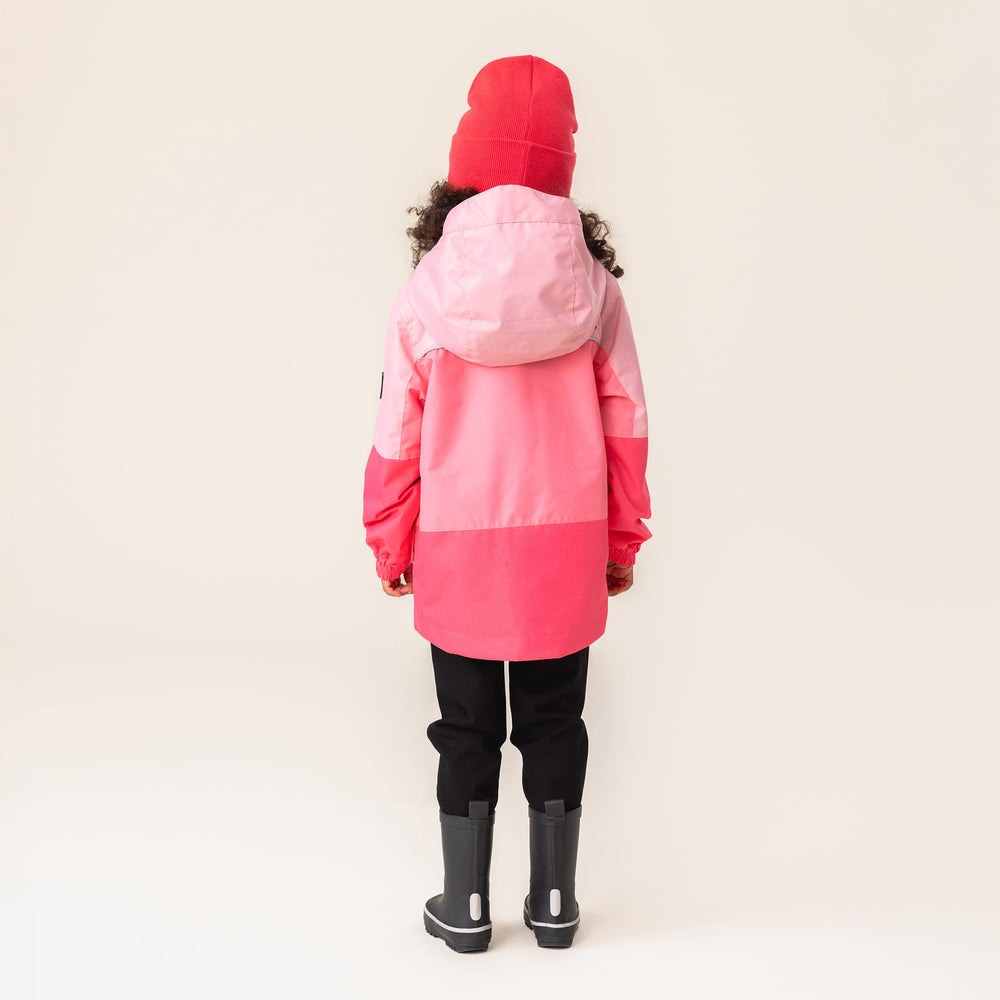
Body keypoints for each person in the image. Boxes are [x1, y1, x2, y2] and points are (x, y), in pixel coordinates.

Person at [362, 54, 652, 952]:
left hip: (457, 543)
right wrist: (621, 541)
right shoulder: (595, 291)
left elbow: (396, 431)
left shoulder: (427, 293)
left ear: (464, 169)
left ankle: (466, 908)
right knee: (556, 720)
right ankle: (555, 906)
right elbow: (627, 424)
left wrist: (390, 539)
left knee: (466, 728)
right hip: (565, 545)